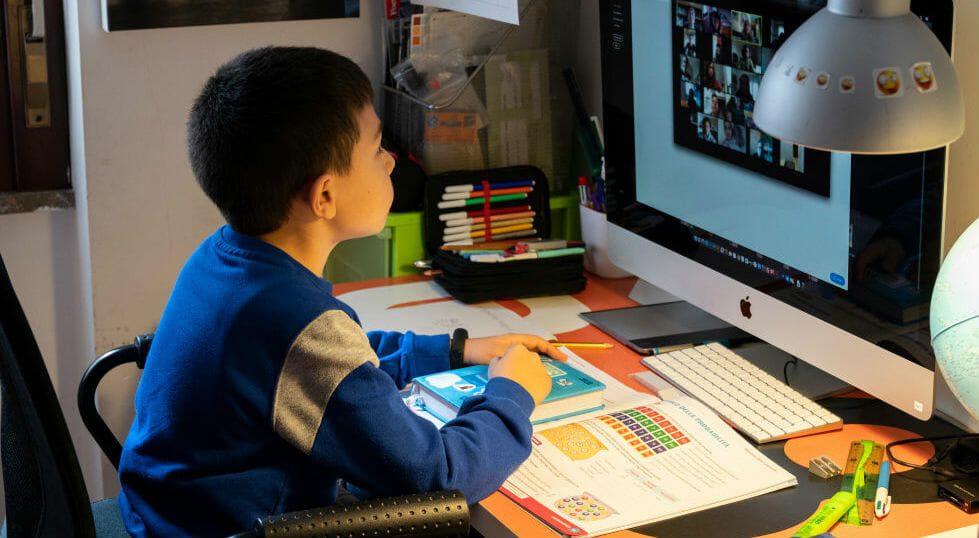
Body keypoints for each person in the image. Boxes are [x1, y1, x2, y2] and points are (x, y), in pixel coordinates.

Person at [117, 46, 566, 538]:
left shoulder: (222, 257)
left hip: (163, 513)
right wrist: (513, 393)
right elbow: (435, 477)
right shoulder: (297, 324)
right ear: (324, 195)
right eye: (377, 148)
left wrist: (455, 351)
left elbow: (322, 366)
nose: (391, 161)